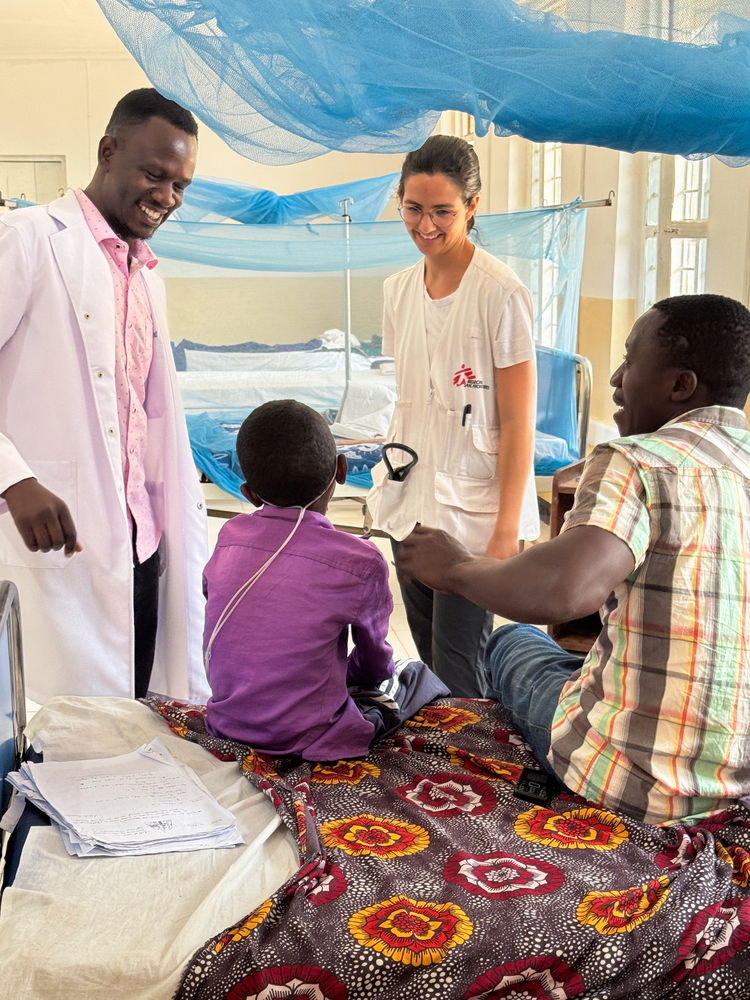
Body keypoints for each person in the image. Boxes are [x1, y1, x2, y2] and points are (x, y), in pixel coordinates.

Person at [398, 293, 750, 826]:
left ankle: (513, 765)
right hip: (737, 781)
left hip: (636, 779)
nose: (614, 377)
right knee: (587, 656)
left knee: (511, 641)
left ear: (680, 385)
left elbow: (564, 589)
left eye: (630, 360)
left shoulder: (638, 460)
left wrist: (454, 568)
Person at [0, 88, 209, 703]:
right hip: (53, 542)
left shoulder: (146, 275)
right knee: (58, 737)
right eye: (154, 174)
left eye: (181, 186)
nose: (167, 197)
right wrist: (14, 478)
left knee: (139, 719)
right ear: (107, 151)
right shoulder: (27, 239)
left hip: (141, 543)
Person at [366, 134, 539, 699]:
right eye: (413, 209)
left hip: (474, 512)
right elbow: (415, 396)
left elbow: (517, 420)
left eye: (443, 210)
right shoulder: (397, 290)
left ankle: (474, 775)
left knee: (462, 665)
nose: (426, 225)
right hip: (410, 497)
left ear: (472, 206)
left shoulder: (500, 293)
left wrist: (506, 532)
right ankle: (438, 766)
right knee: (428, 654)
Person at [203, 399, 448, 759]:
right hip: (310, 738)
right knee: (415, 675)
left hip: (228, 725)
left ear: (249, 494)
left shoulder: (229, 536)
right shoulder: (359, 560)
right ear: (342, 470)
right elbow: (374, 664)